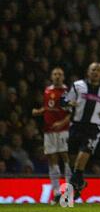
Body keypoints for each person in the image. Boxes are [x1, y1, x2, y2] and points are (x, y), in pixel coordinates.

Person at [62, 62, 100, 200]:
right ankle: (80, 183)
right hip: (76, 126)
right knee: (73, 163)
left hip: (93, 128)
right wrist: (68, 103)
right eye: (93, 70)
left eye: (98, 70)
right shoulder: (78, 85)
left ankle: (69, 194)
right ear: (88, 72)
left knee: (80, 160)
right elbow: (65, 100)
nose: (95, 72)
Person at [32, 67, 72, 204]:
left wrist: (61, 123)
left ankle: (67, 196)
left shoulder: (67, 92)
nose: (57, 76)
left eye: (60, 74)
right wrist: (39, 111)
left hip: (63, 130)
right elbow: (48, 107)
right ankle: (56, 194)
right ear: (51, 76)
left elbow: (72, 113)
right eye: (55, 74)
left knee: (66, 159)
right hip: (49, 130)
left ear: (63, 77)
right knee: (52, 160)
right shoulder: (47, 91)